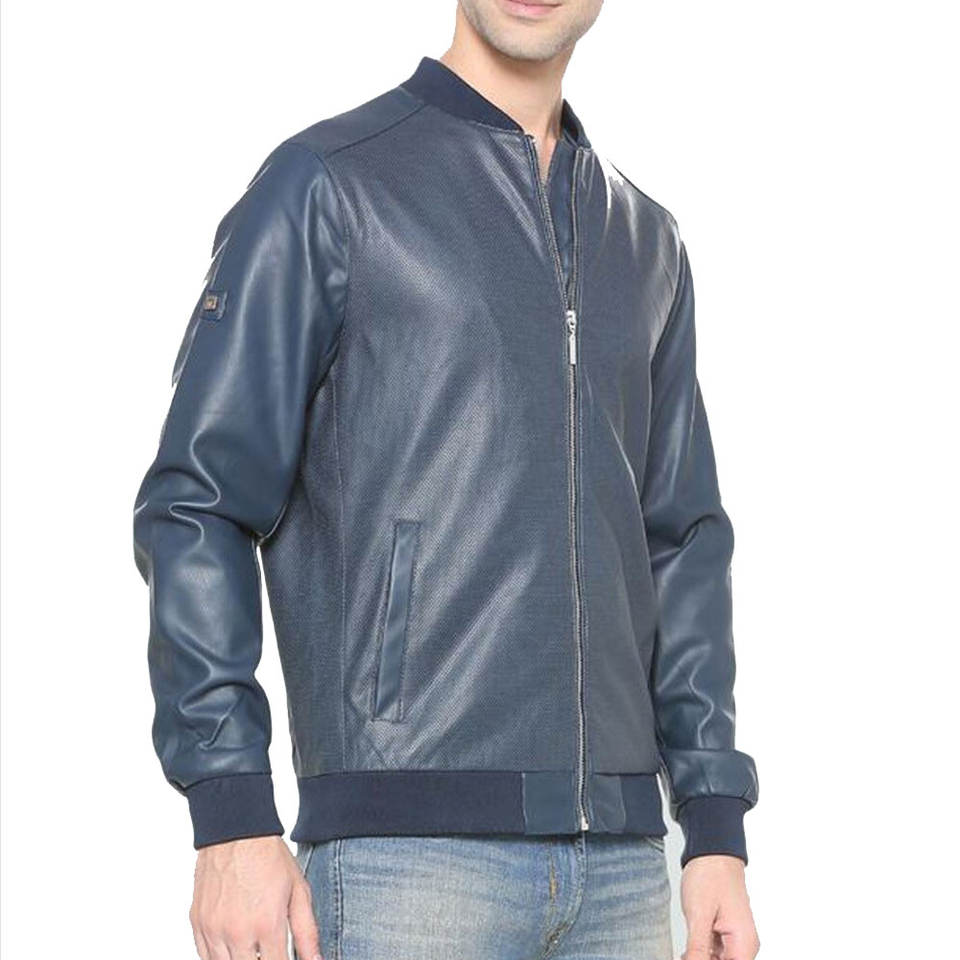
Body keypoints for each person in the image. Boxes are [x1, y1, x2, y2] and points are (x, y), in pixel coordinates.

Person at [132, 1, 760, 958]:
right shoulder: (329, 185)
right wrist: (229, 810)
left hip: (624, 870)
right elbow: (196, 502)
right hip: (406, 857)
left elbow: (680, 542)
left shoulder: (646, 240)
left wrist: (712, 826)